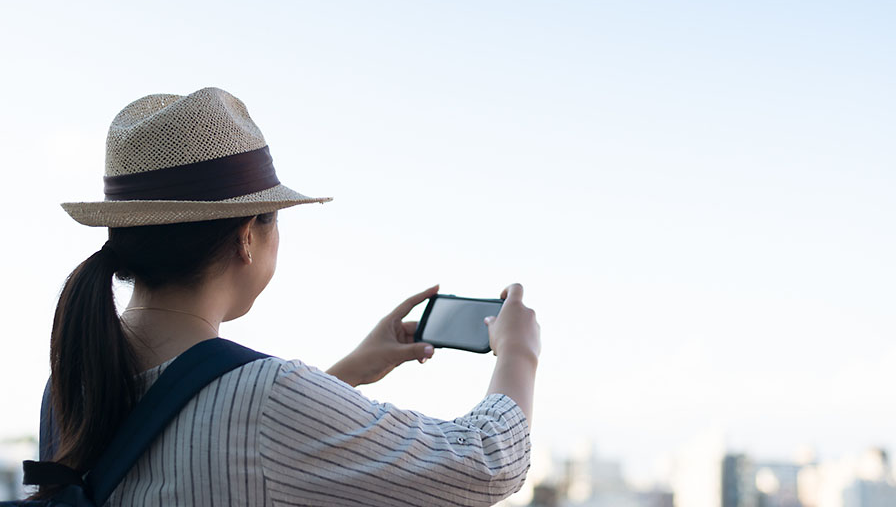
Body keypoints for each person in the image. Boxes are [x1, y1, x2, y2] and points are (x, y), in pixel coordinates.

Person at [40, 87, 540, 506]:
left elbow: (206, 430)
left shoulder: (71, 383)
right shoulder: (269, 397)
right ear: (246, 237)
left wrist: (348, 373)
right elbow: (488, 463)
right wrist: (518, 352)